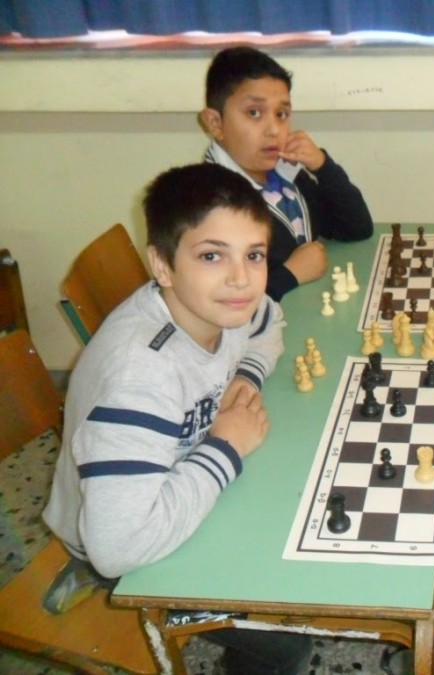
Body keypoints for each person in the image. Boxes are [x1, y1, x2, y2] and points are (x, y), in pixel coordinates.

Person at [42, 163, 311, 674]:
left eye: (254, 255)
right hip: (118, 541)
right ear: (162, 266)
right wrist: (225, 448)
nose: (241, 279)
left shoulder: (221, 304)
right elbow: (118, 548)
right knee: (285, 633)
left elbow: (269, 318)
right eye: (212, 256)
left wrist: (247, 375)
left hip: (170, 476)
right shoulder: (139, 377)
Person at [200, 45, 373, 302]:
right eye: (254, 113)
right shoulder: (208, 204)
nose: (273, 130)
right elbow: (215, 301)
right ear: (216, 123)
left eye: (281, 114)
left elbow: (357, 228)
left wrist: (322, 166)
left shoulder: (285, 174)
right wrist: (291, 274)